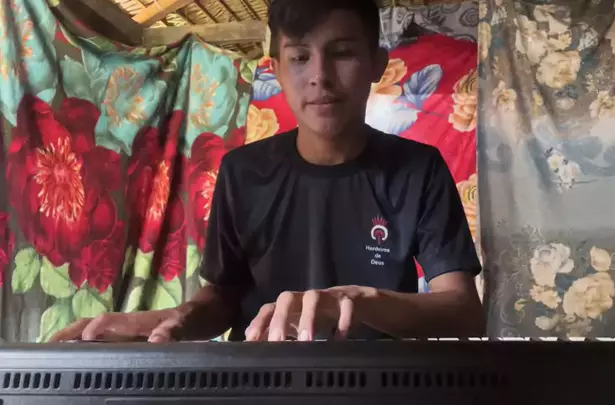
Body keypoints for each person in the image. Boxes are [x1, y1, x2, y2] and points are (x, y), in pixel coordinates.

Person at [50, 0, 484, 343]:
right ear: (275, 69)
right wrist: (177, 319)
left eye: (342, 53)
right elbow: (224, 296)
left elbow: (464, 311)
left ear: (377, 64)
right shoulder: (242, 172)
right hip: (259, 381)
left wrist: (356, 301)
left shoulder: (418, 169)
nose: (320, 76)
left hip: (380, 386)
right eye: (299, 57)